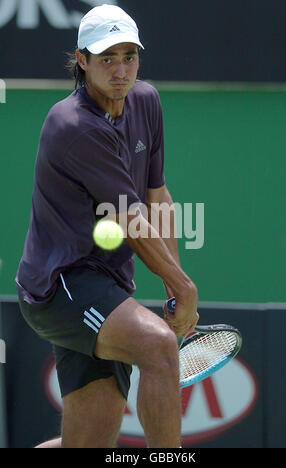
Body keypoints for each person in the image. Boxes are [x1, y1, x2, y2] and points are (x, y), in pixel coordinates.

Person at [16, 4, 199, 448]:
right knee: (159, 348)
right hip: (60, 286)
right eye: (106, 59)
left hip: (106, 283)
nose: (120, 70)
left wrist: (173, 285)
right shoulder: (73, 125)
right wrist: (184, 286)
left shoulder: (146, 101)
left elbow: (157, 197)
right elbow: (130, 218)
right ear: (81, 60)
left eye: (128, 57)